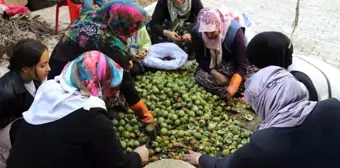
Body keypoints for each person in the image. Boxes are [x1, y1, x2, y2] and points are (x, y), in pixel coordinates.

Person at [6, 51, 149, 168]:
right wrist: (137, 157)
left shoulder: (48, 88)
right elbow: (118, 165)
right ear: (100, 81)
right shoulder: (92, 115)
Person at [184, 66, 340, 168]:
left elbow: (227, 167)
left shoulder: (265, 144)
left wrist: (200, 159)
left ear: (263, 102)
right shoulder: (332, 107)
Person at [48, 0, 155, 126]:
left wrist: (127, 59)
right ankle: (97, 112)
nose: (136, 32)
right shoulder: (108, 41)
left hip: (53, 70)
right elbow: (126, 82)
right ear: (121, 23)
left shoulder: (90, 16)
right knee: (116, 74)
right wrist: (146, 117)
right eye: (134, 27)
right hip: (67, 82)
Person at [246, 31, 340, 101]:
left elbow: (300, 117)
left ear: (268, 61)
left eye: (260, 65)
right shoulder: (287, 58)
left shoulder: (297, 82)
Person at [0, 39, 50, 162]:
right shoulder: (5, 92)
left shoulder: (35, 78)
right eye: (43, 65)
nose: (49, 68)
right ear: (25, 70)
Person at [190, 8, 256, 99]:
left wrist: (233, 87)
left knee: (252, 79)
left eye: (212, 32)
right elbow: (200, 58)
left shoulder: (235, 33)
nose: (209, 36)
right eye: (206, 32)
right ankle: (234, 91)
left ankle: (231, 90)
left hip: (234, 64)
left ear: (218, 25)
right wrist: (215, 74)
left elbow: (242, 64)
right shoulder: (197, 32)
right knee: (201, 76)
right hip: (215, 64)